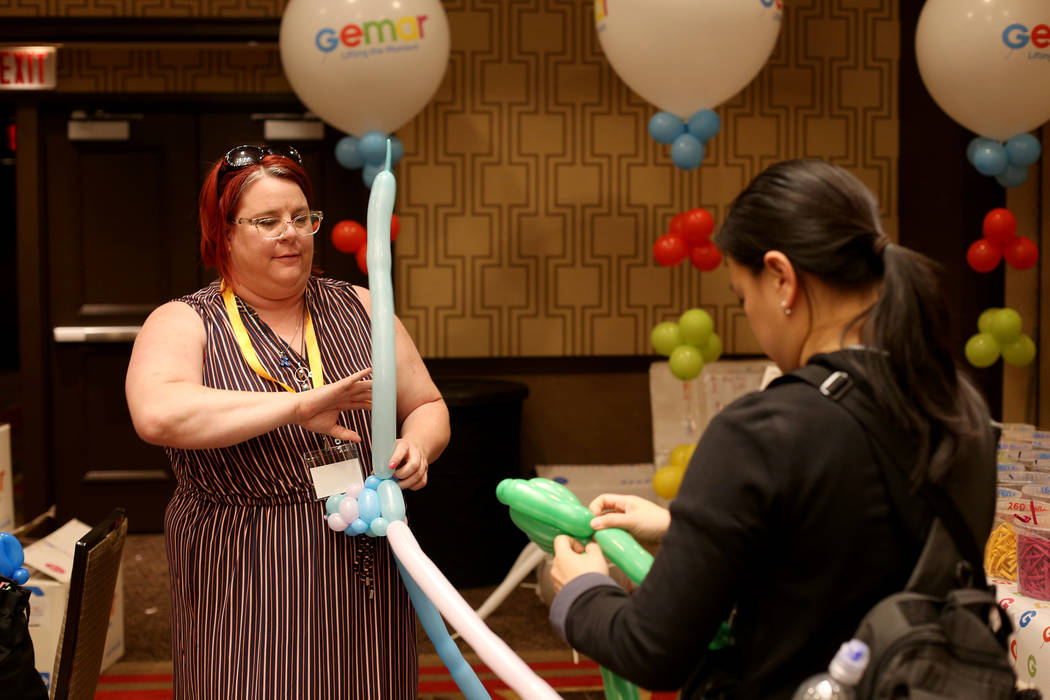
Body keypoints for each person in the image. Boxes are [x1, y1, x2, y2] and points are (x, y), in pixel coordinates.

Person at [547, 159, 996, 699]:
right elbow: (852, 546)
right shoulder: (958, 405)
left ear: (781, 279)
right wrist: (686, 530)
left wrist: (581, 592)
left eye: (743, 296)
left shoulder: (763, 430)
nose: (751, 319)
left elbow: (651, 649)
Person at [125, 144, 450, 698]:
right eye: (268, 221)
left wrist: (417, 446)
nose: (291, 233)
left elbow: (427, 405)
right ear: (223, 233)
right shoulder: (183, 321)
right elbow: (158, 415)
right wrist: (299, 406)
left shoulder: (361, 307)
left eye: (302, 218)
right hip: (241, 560)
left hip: (360, 549)